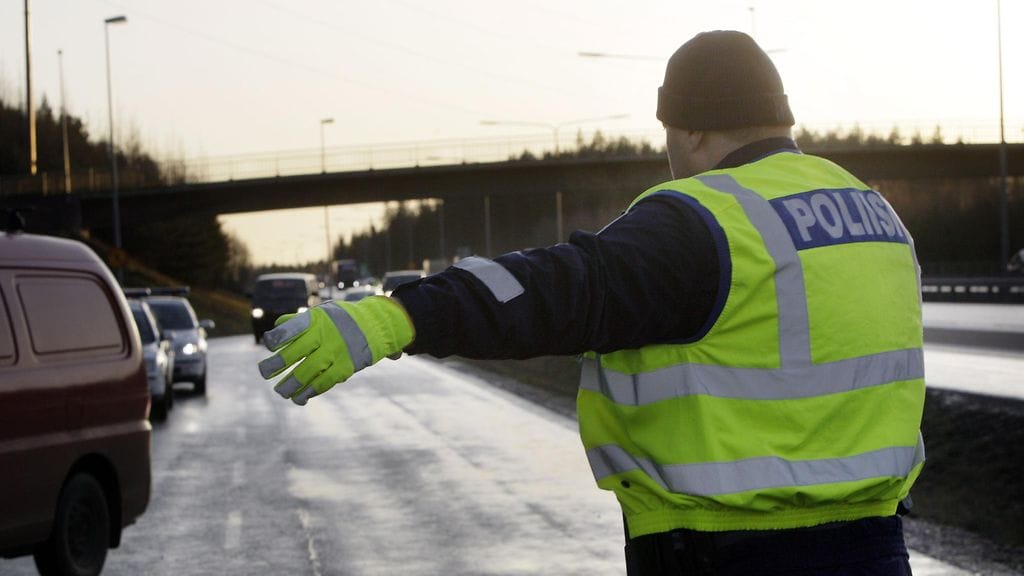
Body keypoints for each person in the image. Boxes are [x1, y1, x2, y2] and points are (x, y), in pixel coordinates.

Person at [258, 30, 925, 576]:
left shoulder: (707, 220)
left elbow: (553, 287)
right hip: (877, 550)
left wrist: (395, 316)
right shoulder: (875, 214)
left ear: (689, 131)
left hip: (732, 554)